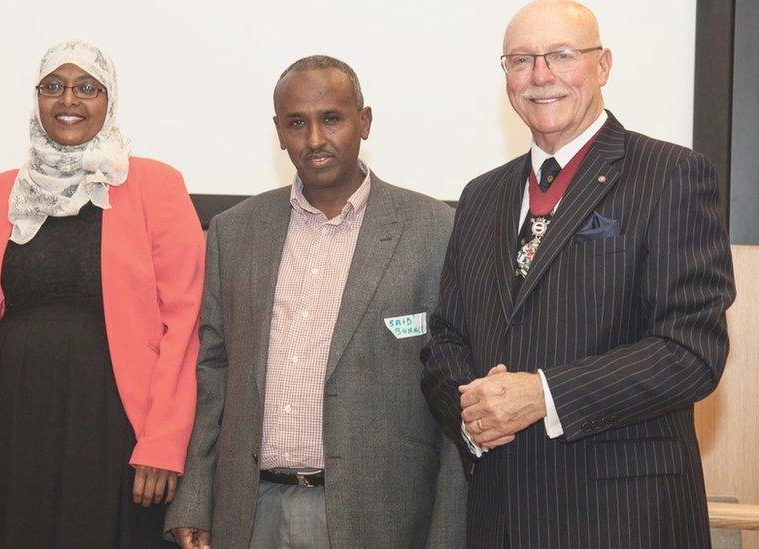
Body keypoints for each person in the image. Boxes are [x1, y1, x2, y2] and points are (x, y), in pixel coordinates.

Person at [421, 1, 736, 547]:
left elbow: (692, 351)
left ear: (603, 65)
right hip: (500, 515)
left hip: (623, 519)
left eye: (561, 55)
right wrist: (474, 417)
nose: (540, 76)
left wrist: (544, 396)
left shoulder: (671, 175)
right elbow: (447, 335)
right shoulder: (480, 195)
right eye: (521, 60)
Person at [0, 40, 205, 547]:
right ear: (37, 98)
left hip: (116, 428)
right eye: (54, 87)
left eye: (87, 87)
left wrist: (164, 442)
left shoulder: (155, 185)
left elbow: (187, 324)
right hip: (8, 418)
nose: (69, 100)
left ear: (109, 102)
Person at [165, 55, 465, 549]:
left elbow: (454, 388)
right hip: (251, 509)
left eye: (332, 118)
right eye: (296, 123)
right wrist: (195, 496)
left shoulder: (434, 230)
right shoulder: (234, 231)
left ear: (363, 122)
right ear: (279, 133)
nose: (314, 139)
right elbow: (212, 372)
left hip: (382, 517)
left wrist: (449, 531)